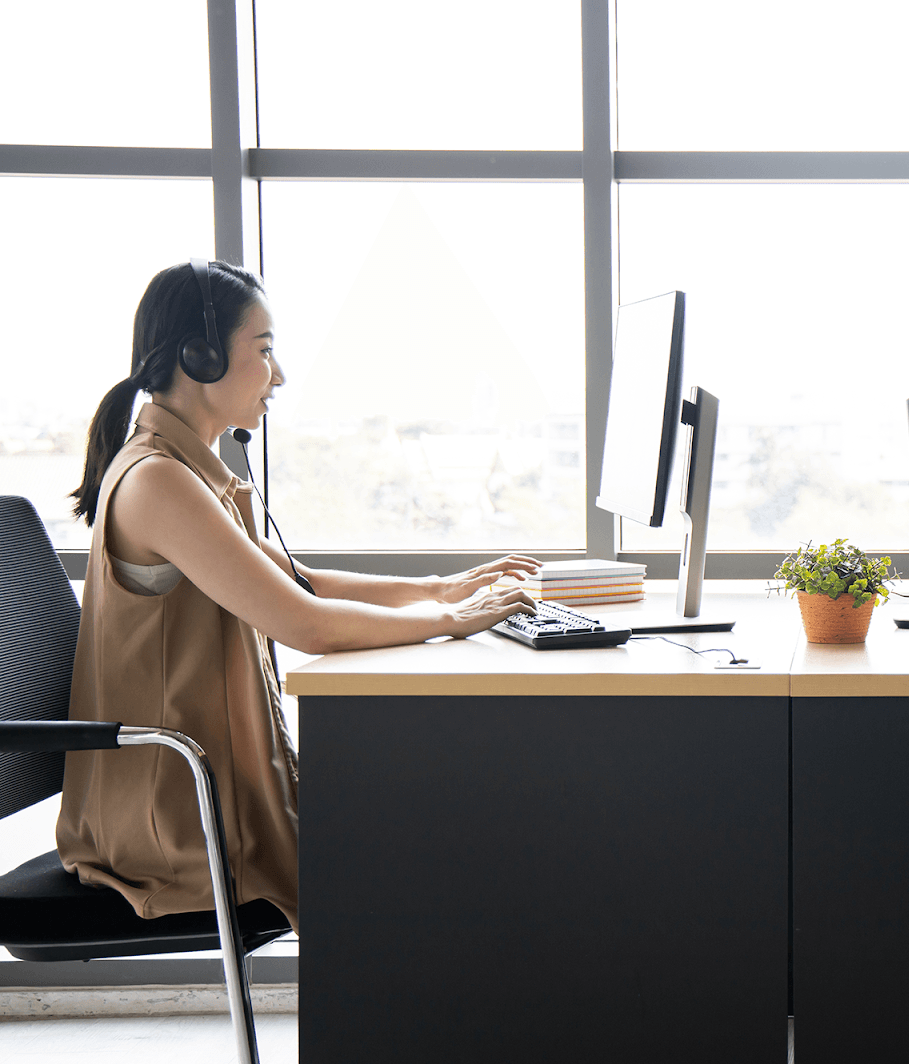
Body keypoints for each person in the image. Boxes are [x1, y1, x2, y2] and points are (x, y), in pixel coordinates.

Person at [59, 260, 545, 933]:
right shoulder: (157, 483)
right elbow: (303, 623)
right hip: (172, 820)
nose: (278, 376)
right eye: (263, 352)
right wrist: (452, 620)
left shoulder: (184, 474)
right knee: (439, 820)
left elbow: (296, 579)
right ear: (198, 358)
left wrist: (437, 589)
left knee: (434, 801)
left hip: (195, 793)